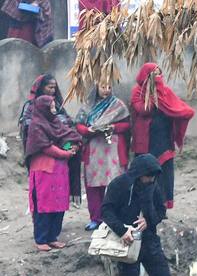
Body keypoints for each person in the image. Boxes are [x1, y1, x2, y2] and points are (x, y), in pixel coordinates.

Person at [100, 154, 188, 276]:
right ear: (138, 173)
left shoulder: (154, 186)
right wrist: (122, 230)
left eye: (152, 176)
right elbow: (106, 210)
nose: (150, 179)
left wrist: (149, 220)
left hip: (149, 241)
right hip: (127, 241)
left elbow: (161, 211)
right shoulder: (119, 185)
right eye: (148, 176)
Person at [129, 63, 194, 209]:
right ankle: (143, 205)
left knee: (163, 173)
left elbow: (181, 109)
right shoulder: (137, 92)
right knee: (145, 172)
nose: (158, 78)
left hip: (163, 140)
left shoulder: (166, 91)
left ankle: (162, 205)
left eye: (159, 74)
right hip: (145, 142)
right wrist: (153, 94)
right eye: (154, 75)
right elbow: (144, 110)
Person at [24, 93, 79, 252]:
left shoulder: (56, 122)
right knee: (44, 205)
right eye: (51, 107)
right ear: (43, 108)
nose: (55, 110)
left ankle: (52, 237)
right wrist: (65, 154)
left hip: (60, 171)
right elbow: (46, 147)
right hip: (43, 171)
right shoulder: (36, 126)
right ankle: (41, 239)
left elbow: (68, 136)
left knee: (58, 204)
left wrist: (71, 147)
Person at [74, 75, 130, 231]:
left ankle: (115, 217)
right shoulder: (87, 105)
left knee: (115, 184)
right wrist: (88, 130)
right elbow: (78, 125)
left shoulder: (118, 105)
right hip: (93, 149)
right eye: (103, 87)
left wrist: (113, 128)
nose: (106, 90)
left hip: (112, 150)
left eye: (109, 87)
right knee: (93, 186)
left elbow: (126, 125)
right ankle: (96, 218)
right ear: (96, 88)